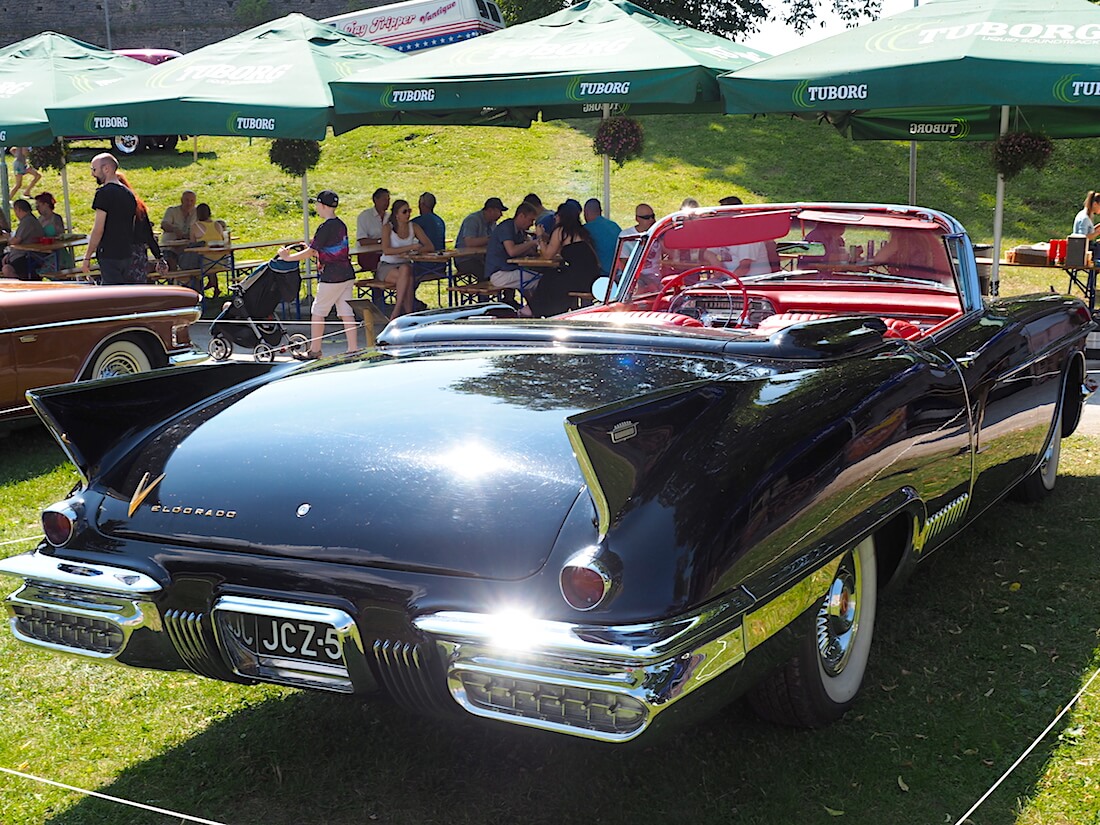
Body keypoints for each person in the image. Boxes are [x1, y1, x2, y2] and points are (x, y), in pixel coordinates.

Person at [278, 190, 358, 359]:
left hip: (332, 276)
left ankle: (315, 350)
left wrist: (288, 257)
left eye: (317, 204)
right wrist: (309, 249)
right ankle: (353, 349)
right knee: (346, 312)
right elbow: (324, 250)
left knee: (318, 311)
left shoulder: (325, 227)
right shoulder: (340, 224)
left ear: (322, 205)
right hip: (347, 273)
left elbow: (312, 251)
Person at [528, 201, 600, 317]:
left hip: (580, 278)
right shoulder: (579, 231)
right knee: (553, 276)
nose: (555, 217)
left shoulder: (561, 230)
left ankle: (539, 311)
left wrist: (540, 236)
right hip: (591, 276)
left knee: (548, 279)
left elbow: (547, 255)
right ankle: (554, 311)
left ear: (562, 216)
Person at [82, 153, 136, 285]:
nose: (92, 174)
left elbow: (98, 228)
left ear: (106, 169)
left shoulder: (104, 193)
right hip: (127, 252)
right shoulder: (129, 194)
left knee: (113, 296)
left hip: (109, 253)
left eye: (94, 169)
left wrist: (87, 257)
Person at [377, 198, 435, 319]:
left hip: (405, 265)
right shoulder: (388, 228)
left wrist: (415, 251)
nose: (408, 214)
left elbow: (429, 246)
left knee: (406, 271)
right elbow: (386, 250)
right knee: (407, 277)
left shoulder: (413, 226)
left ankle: (399, 313)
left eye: (409, 211)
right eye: (404, 211)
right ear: (396, 215)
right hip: (387, 266)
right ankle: (405, 313)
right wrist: (409, 247)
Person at [116, 172, 167, 284]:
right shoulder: (139, 207)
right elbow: (149, 234)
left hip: (120, 253)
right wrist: (159, 256)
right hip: (138, 254)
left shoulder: (114, 207)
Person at [485, 201, 540, 305]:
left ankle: (533, 308)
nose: (531, 224)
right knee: (540, 279)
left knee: (536, 277)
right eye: (530, 220)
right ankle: (535, 308)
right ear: (521, 216)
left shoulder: (520, 231)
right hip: (499, 274)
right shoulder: (506, 227)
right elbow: (512, 251)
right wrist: (533, 242)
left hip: (509, 270)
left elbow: (525, 251)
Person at [454, 197, 505, 281]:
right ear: (490, 210)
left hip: (482, 258)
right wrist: (491, 239)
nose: (501, 215)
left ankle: (508, 294)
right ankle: (483, 294)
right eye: (499, 211)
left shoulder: (492, 223)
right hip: (466, 259)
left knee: (505, 270)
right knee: (485, 273)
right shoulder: (473, 220)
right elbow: (469, 242)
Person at [186, 203, 228, 294]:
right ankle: (214, 286)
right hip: (222, 261)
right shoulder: (217, 225)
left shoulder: (195, 226)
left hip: (205, 262)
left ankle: (197, 291)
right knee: (211, 260)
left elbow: (192, 244)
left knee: (195, 262)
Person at [1, 199, 45, 280]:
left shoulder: (27, 221)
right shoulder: (32, 220)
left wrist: (8, 238)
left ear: (18, 209)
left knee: (6, 268)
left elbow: (16, 241)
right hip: (30, 254)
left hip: (28, 256)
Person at [411, 191, 446, 282]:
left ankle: (408, 295)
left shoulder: (420, 221)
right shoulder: (440, 220)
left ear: (422, 204)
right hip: (441, 265)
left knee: (405, 271)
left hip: (427, 265)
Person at [582, 198, 622, 277]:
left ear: (585, 212)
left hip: (601, 273)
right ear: (600, 211)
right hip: (619, 271)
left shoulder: (585, 229)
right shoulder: (614, 225)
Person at [159, 189, 197, 268]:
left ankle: (194, 279)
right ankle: (173, 279)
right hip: (170, 247)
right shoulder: (172, 211)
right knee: (170, 261)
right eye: (187, 200)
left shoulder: (197, 212)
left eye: (192, 201)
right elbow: (164, 224)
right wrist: (174, 229)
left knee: (200, 261)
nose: (189, 203)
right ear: (181, 200)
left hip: (187, 247)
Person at [355, 187, 390, 273]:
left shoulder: (390, 217)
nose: (387, 203)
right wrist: (380, 241)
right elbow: (362, 241)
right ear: (375, 200)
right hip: (369, 255)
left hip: (386, 252)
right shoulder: (364, 216)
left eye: (388, 200)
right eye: (384, 200)